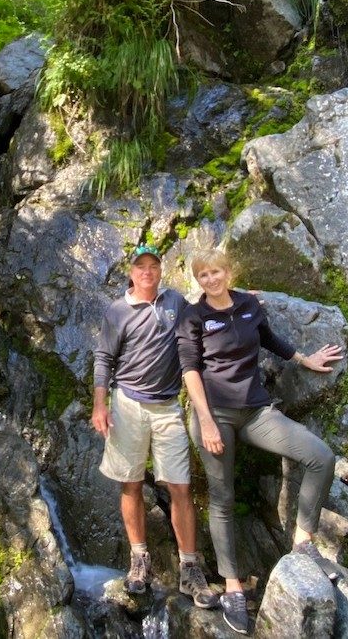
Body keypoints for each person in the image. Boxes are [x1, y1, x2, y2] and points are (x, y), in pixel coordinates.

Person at [176, 247, 343, 635]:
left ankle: (303, 544)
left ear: (228, 273)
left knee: (320, 456)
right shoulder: (193, 317)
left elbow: (269, 339)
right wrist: (206, 422)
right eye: (203, 276)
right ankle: (233, 586)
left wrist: (305, 358)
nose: (211, 280)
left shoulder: (250, 304)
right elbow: (190, 371)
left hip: (255, 412)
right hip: (214, 416)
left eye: (216, 272)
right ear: (198, 281)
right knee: (222, 498)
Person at [92, 243, 217, 608]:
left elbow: (203, 313)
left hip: (166, 408)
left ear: (160, 271)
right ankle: (139, 560)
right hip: (128, 404)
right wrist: (100, 404)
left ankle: (190, 569)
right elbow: (103, 358)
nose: (147, 271)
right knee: (130, 484)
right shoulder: (117, 311)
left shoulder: (174, 302)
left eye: (153, 265)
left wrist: (237, 297)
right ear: (131, 272)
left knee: (181, 485)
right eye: (140, 266)